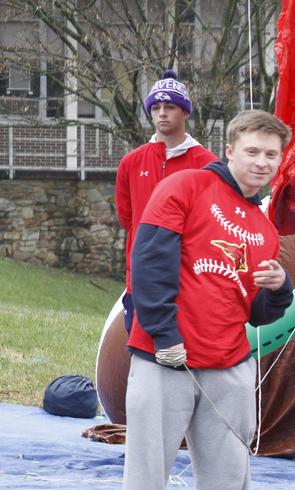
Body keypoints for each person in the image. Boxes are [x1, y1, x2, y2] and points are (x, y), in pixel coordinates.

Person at [118, 110, 294, 490]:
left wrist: (278, 287)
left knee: (229, 474)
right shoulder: (186, 187)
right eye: (253, 151)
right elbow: (148, 262)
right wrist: (164, 334)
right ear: (231, 148)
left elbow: (256, 311)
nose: (261, 162)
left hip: (229, 362)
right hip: (165, 358)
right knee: (149, 469)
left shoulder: (263, 227)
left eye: (271, 155)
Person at [115, 69, 216, 333]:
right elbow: (128, 218)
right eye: (156, 107)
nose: (162, 113)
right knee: (141, 356)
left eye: (170, 106)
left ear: (184, 112)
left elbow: (214, 224)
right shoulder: (131, 163)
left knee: (187, 359)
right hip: (141, 279)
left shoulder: (207, 165)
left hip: (190, 282)